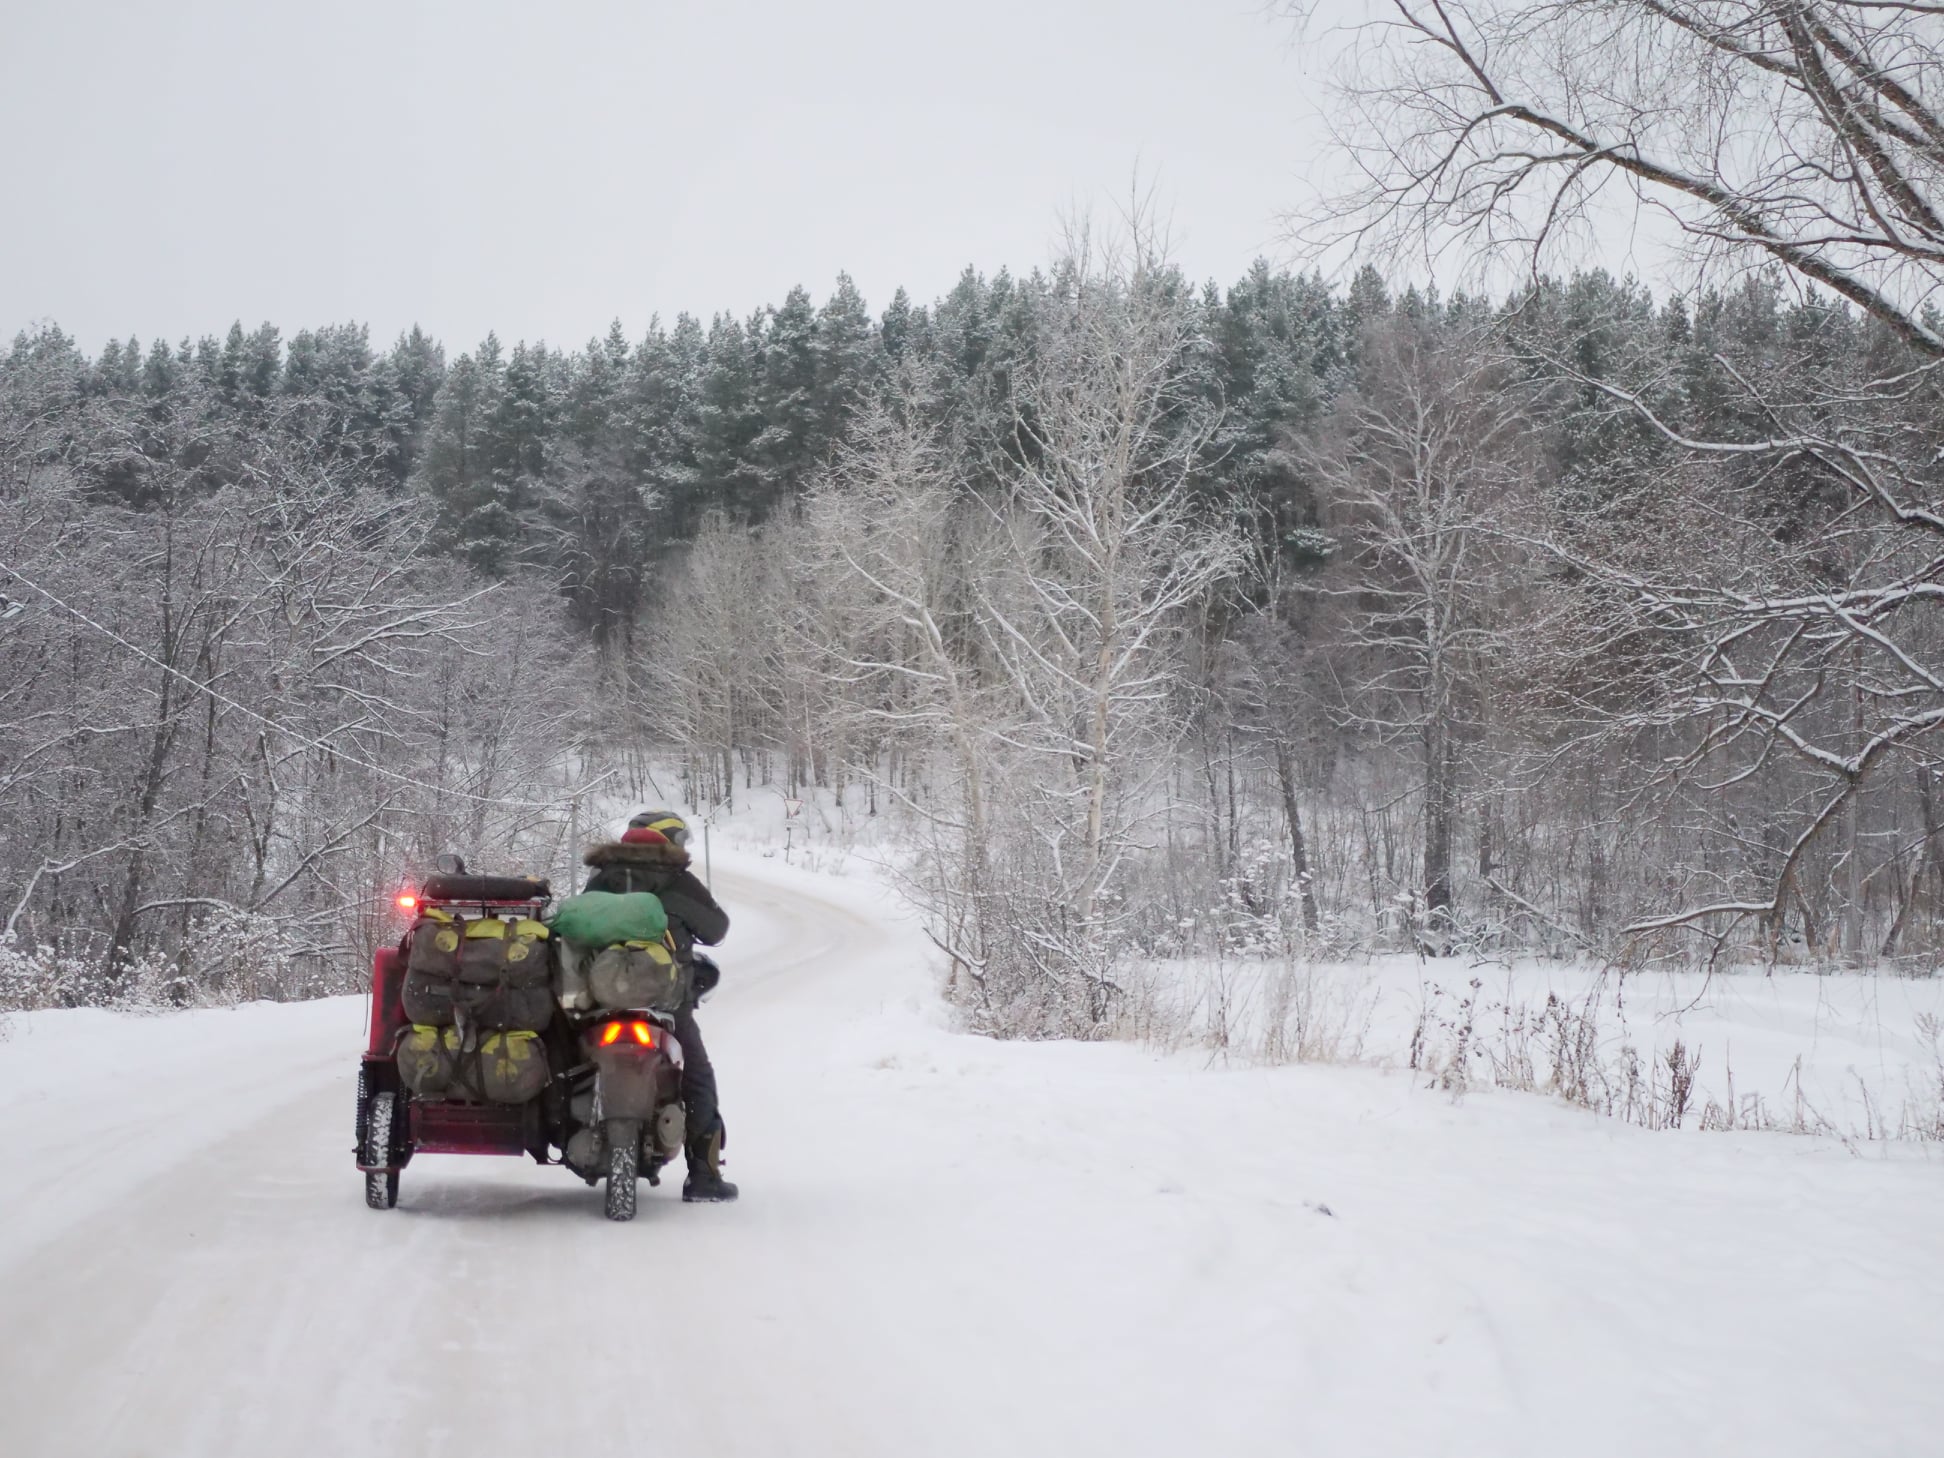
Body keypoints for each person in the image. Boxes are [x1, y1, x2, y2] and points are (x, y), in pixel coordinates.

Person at [582, 809, 738, 1203]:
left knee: (570, 1063)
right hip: (666, 1003)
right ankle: (703, 1177)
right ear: (665, 841)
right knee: (697, 1075)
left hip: (598, 1000)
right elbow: (717, 930)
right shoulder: (679, 881)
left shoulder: (602, 877)